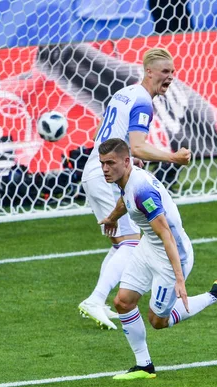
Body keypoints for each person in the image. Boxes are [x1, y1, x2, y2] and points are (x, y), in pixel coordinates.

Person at [97, 138, 217, 380]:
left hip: (172, 255)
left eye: (110, 163)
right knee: (122, 302)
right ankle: (144, 366)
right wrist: (111, 218)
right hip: (148, 246)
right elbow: (125, 201)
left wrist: (179, 279)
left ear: (127, 162)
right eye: (102, 163)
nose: (105, 169)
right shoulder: (126, 178)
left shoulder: (142, 189)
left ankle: (216, 294)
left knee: (157, 321)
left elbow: (166, 234)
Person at [78, 48, 191, 330]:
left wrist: (129, 156)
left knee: (122, 242)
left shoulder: (125, 92)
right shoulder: (143, 102)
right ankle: (95, 299)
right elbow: (138, 145)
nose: (170, 77)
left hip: (98, 167)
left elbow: (105, 135)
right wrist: (173, 157)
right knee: (131, 242)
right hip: (105, 172)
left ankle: (98, 300)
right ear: (149, 71)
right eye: (165, 72)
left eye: (173, 72)